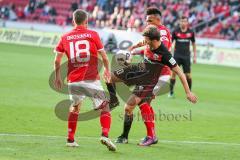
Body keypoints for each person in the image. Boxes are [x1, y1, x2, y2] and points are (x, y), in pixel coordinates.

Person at [110, 25, 197, 146]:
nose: (144, 41)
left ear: (154, 40)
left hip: (149, 82)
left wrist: (188, 92)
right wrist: (129, 56)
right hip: (139, 72)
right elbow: (134, 49)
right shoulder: (148, 44)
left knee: (129, 107)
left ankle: (137, 136)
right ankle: (113, 101)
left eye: (146, 39)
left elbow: (180, 72)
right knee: (111, 76)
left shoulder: (165, 54)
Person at [53, 9, 116, 151]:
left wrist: (57, 77)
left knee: (75, 107)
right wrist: (107, 70)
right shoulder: (93, 34)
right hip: (91, 79)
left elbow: (57, 61)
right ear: (86, 21)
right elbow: (105, 57)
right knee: (104, 106)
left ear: (73, 21)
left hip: (73, 81)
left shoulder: (65, 37)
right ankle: (105, 135)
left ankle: (70, 139)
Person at [115, 7, 172, 144]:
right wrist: (133, 50)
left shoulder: (162, 33)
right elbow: (146, 44)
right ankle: (148, 135)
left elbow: (157, 50)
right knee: (142, 104)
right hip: (149, 73)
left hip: (157, 74)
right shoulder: (152, 32)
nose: (147, 23)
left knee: (136, 104)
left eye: (150, 20)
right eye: (146, 21)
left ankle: (147, 136)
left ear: (158, 19)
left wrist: (132, 54)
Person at [169, 16, 197, 98]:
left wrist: (195, 56)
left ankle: (189, 92)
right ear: (179, 22)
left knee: (188, 75)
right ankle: (171, 92)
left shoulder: (191, 32)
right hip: (176, 56)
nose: (183, 23)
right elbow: (170, 43)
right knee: (173, 74)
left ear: (187, 23)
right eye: (181, 21)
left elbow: (194, 44)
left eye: (185, 21)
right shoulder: (175, 31)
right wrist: (169, 53)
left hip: (186, 56)